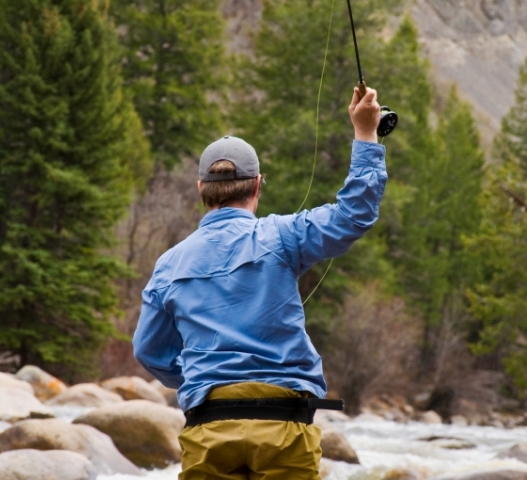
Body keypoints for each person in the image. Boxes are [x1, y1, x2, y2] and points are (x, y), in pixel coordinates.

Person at [133, 86, 387, 480]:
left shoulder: (168, 265)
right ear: (257, 186)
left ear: (202, 189)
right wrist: (366, 135)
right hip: (284, 427)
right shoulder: (284, 235)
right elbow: (354, 215)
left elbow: (148, 351)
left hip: (208, 428)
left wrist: (202, 378)